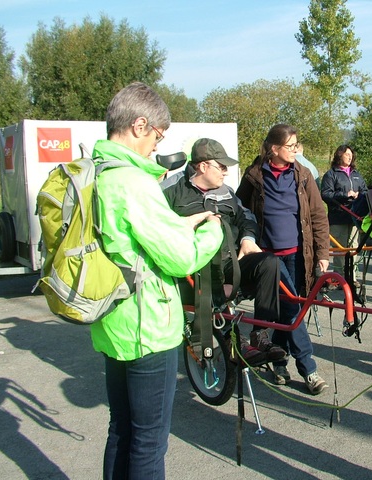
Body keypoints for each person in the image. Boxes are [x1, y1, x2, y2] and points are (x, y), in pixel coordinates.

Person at [91, 82, 223, 479]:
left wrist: (176, 223)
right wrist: (210, 232)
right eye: (157, 135)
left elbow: (130, 239)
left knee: (122, 431)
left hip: (113, 322)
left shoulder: (100, 172)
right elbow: (180, 257)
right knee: (149, 443)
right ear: (139, 125)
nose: (156, 144)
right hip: (147, 328)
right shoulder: (134, 182)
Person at [162, 137, 287, 366]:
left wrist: (248, 239)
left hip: (231, 262)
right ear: (202, 166)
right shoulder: (171, 191)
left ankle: (260, 334)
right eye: (221, 166)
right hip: (194, 267)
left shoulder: (227, 192)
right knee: (208, 278)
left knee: (269, 262)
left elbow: (247, 217)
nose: (226, 172)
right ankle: (233, 343)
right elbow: (156, 227)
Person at [236, 123, 331, 395]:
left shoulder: (302, 176)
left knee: (287, 310)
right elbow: (240, 212)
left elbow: (318, 216)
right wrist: (246, 239)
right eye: (290, 146)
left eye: (296, 145)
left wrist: (322, 254)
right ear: (274, 149)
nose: (295, 150)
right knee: (293, 310)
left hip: (299, 255)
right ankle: (309, 369)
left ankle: (278, 363)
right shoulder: (254, 176)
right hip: (267, 258)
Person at [321, 145, 368, 287]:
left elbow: (365, 191)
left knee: (353, 248)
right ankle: (339, 278)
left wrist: (360, 195)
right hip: (338, 216)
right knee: (340, 248)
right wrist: (344, 195)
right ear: (339, 155)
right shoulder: (331, 174)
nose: (349, 157)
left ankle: (351, 278)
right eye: (346, 154)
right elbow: (325, 194)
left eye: (351, 154)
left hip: (354, 216)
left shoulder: (356, 174)